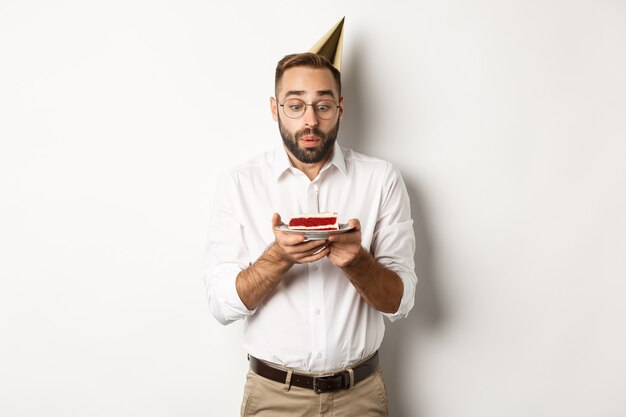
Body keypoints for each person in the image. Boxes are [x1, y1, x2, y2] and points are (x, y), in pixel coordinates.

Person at [204, 20, 417, 417]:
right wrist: (278, 258)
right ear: (275, 109)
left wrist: (358, 262)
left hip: (361, 396)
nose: (310, 121)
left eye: (322, 105)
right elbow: (221, 304)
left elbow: (401, 302)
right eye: (295, 105)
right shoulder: (239, 184)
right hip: (273, 397)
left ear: (340, 107)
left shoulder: (381, 179)